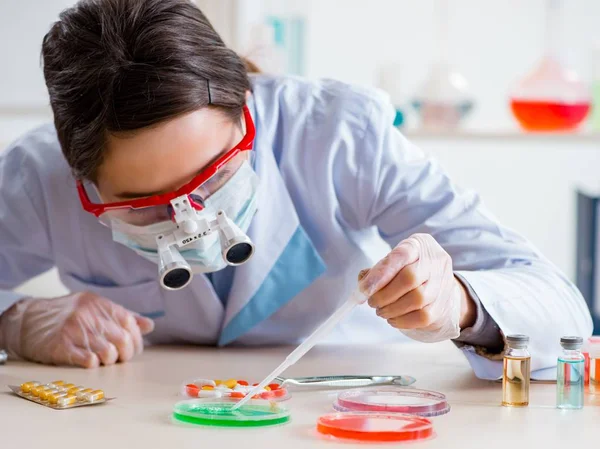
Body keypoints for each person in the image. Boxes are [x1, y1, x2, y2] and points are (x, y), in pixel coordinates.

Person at [0, 0, 592, 378]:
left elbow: (561, 306)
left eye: (214, 175)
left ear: (247, 111)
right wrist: (16, 321)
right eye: (145, 207)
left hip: (345, 409)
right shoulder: (37, 177)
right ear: (81, 178)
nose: (191, 221)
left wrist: (461, 304)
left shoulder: (338, 133)